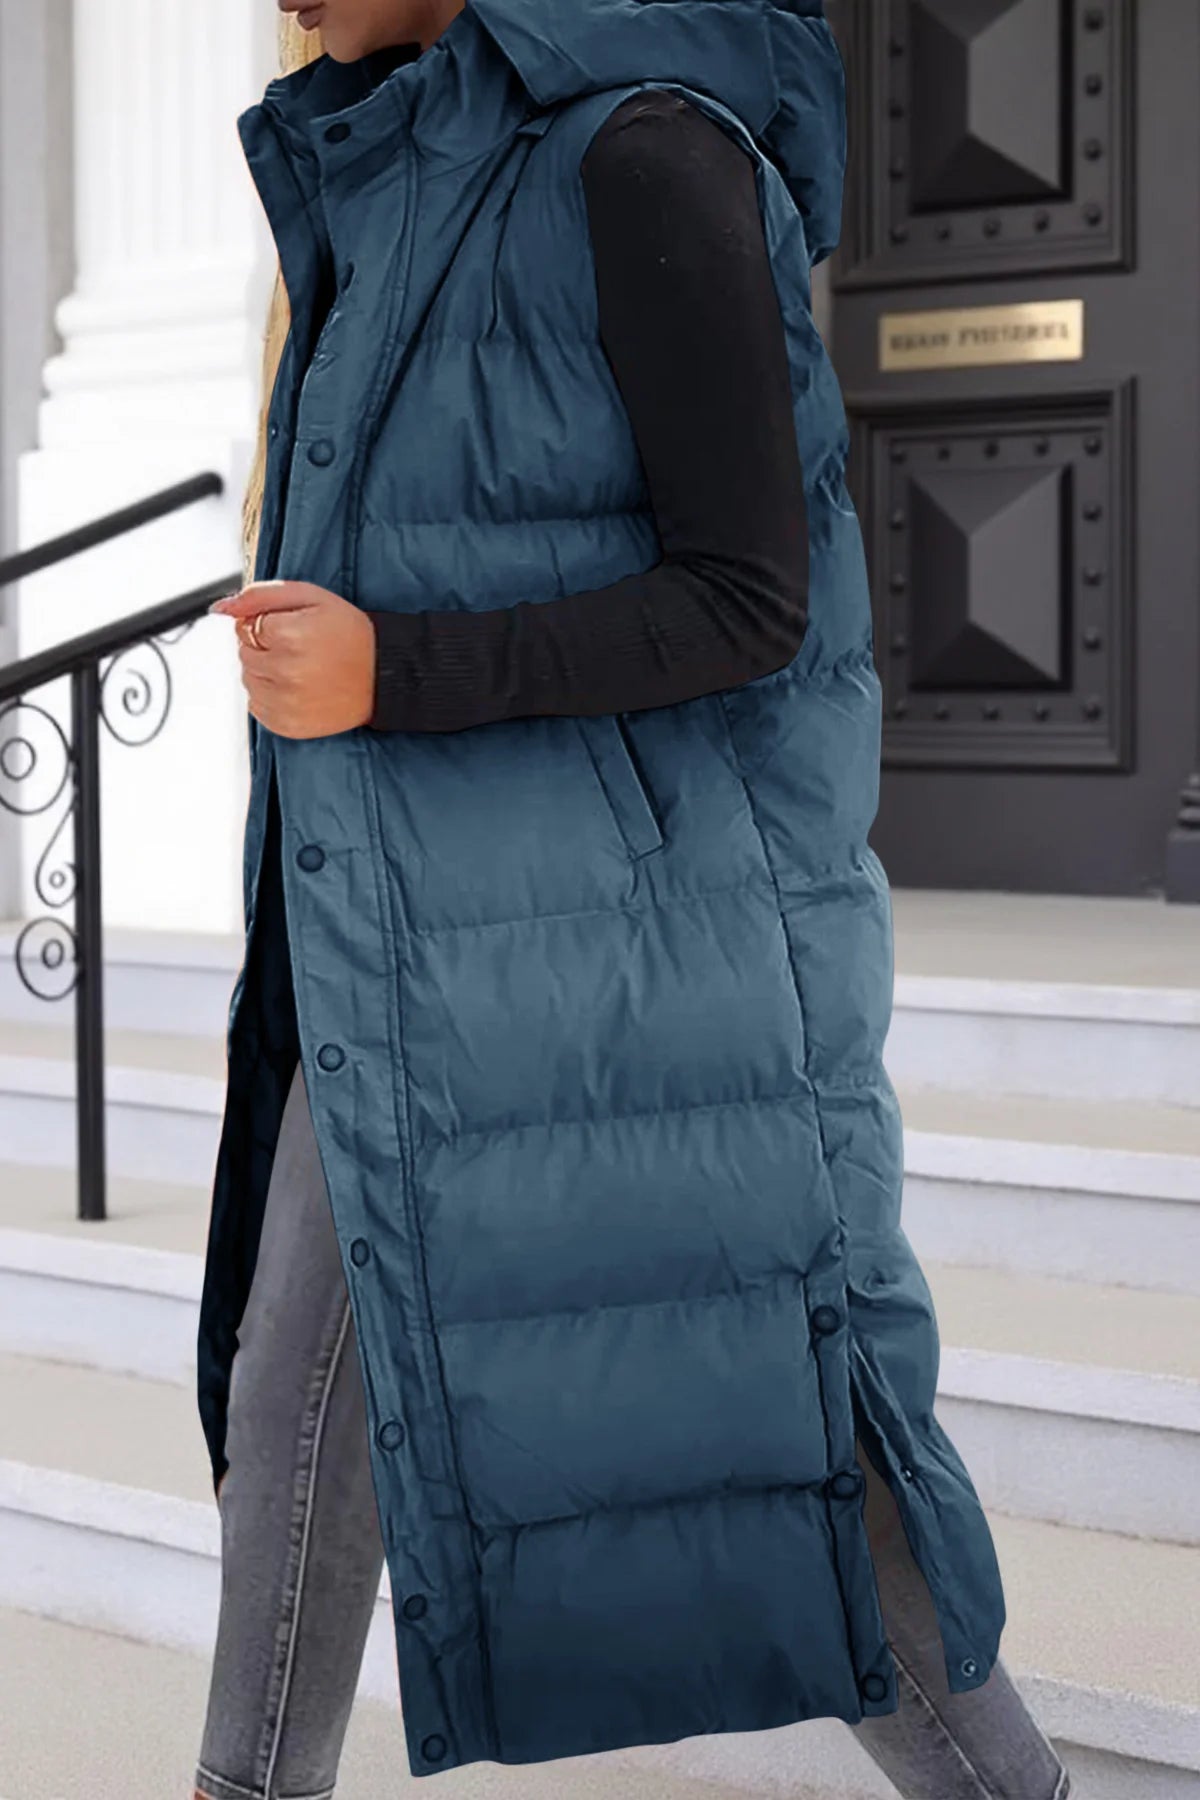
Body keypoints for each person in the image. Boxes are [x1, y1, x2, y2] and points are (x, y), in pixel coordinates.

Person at [195, 2, 1073, 1797]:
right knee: (299, 1406)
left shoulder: (647, 152)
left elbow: (751, 596)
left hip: (616, 957)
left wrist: (392, 670)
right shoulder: (390, 171)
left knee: (789, 1449)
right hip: (405, 932)